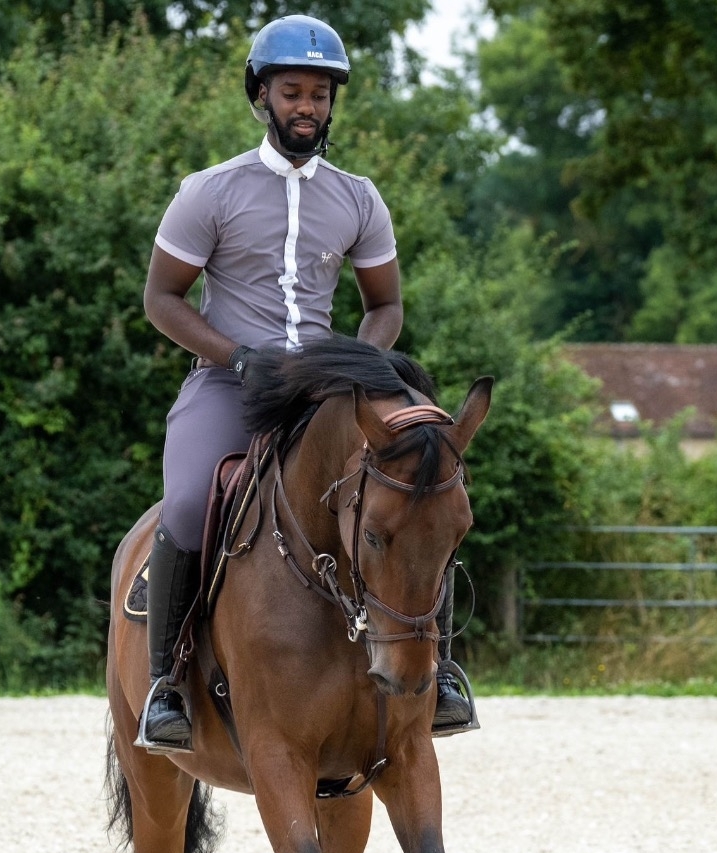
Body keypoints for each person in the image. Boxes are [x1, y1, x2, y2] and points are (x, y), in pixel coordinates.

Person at [138, 14, 475, 751]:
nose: (308, 107)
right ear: (261, 94)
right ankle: (166, 683)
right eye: (293, 91)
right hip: (229, 384)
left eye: (320, 95)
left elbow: (385, 308)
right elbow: (161, 300)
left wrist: (354, 368)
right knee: (189, 501)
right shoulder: (209, 191)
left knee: (423, 487)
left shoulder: (358, 198)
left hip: (328, 392)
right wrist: (235, 357)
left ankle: (442, 672)